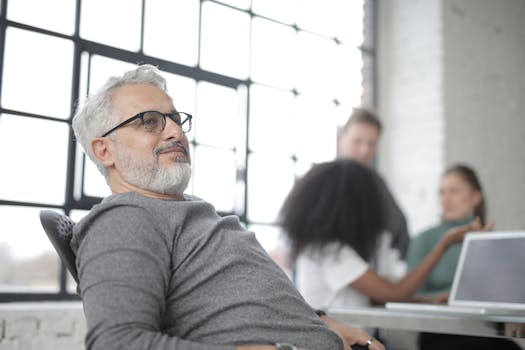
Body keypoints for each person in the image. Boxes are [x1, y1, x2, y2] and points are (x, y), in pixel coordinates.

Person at [70, 64, 385, 350]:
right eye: (150, 122)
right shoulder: (123, 219)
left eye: (176, 119)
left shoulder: (189, 211)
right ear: (104, 150)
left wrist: (324, 324)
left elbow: (245, 302)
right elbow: (116, 342)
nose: (175, 131)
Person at [279, 159, 490, 312]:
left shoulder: (328, 250)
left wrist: (429, 301)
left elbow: (375, 299)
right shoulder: (331, 254)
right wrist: (444, 245)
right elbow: (395, 292)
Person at [407, 164, 521, 350]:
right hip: (440, 333)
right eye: (442, 193)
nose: (446, 199)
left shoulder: (491, 240)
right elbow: (406, 294)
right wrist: (441, 298)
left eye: (453, 191)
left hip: (483, 330)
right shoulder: (424, 240)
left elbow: (504, 295)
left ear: (476, 197)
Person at [337, 108, 410, 260]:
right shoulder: (320, 183)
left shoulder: (376, 183)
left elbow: (399, 229)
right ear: (341, 140)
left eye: (372, 144)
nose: (364, 151)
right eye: (357, 142)